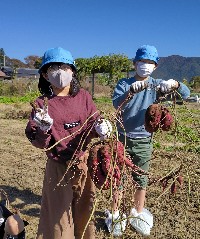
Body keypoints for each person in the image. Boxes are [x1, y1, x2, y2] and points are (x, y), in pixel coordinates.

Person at [25, 47, 112, 239]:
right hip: (58, 167)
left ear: (72, 71)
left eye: (64, 66)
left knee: (85, 214)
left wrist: (101, 128)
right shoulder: (42, 104)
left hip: (84, 163)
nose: (59, 72)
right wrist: (43, 129)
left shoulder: (83, 97)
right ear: (45, 75)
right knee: (59, 220)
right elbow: (39, 142)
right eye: (53, 68)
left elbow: (93, 121)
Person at [107, 45, 190, 236]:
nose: (145, 65)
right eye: (142, 62)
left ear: (155, 66)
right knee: (118, 178)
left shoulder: (158, 84)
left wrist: (175, 85)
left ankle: (137, 212)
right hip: (122, 138)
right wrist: (130, 92)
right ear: (135, 63)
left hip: (144, 140)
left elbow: (185, 95)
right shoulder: (124, 83)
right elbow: (116, 104)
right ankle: (115, 212)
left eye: (150, 62)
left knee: (140, 179)